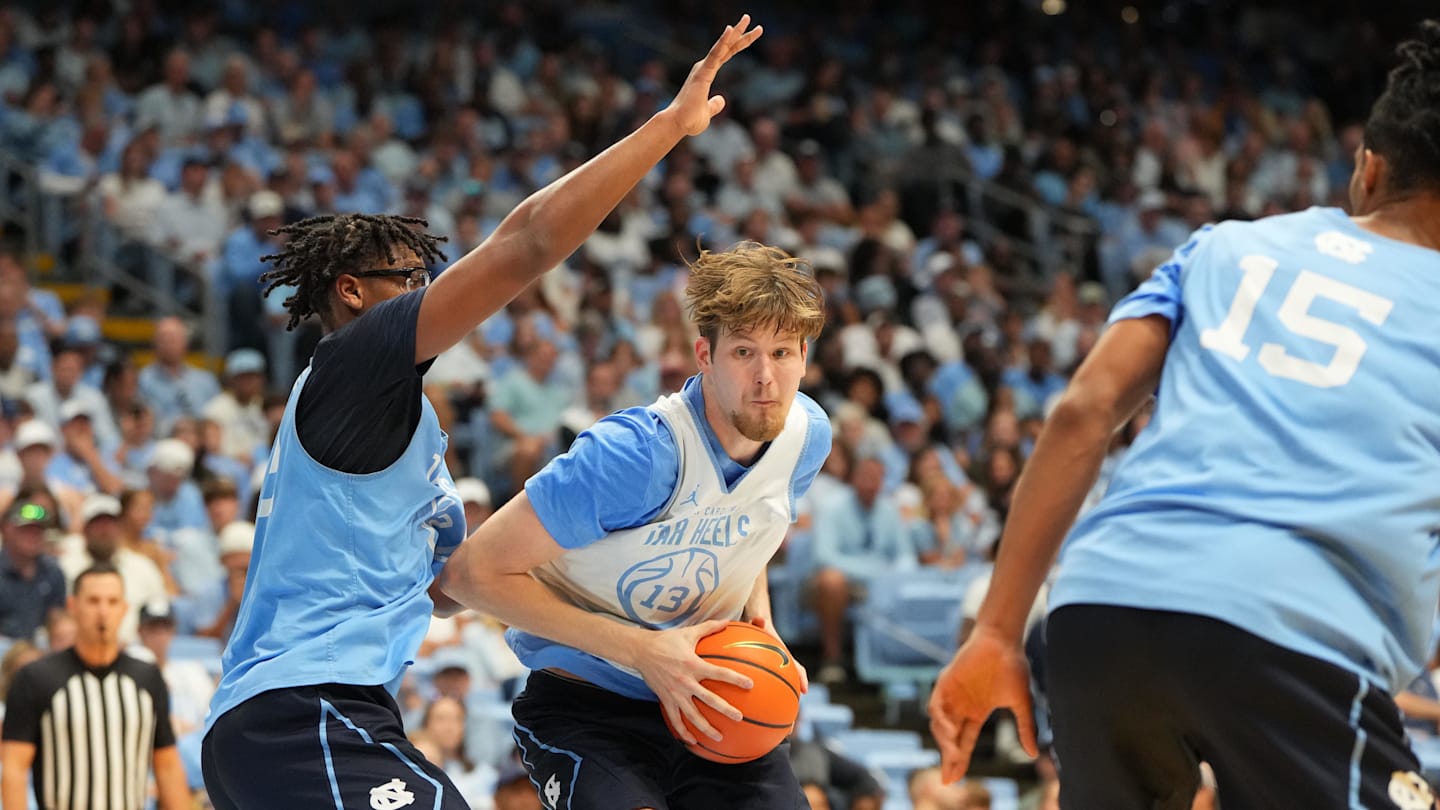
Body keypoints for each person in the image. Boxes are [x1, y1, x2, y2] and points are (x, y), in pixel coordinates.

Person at [201, 17, 764, 810]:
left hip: (318, 715)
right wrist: (669, 127)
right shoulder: (359, 361)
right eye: (408, 280)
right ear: (352, 292)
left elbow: (447, 586)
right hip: (302, 713)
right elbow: (527, 245)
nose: (426, 295)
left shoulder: (387, 424)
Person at [929, 19, 1440, 809]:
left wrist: (996, 630)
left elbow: (1083, 413)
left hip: (1102, 607)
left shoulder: (1223, 246)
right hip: (1293, 634)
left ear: (1369, 169)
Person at [435, 239, 831, 809]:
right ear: (704, 354)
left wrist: (758, 616)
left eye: (783, 353)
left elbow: (752, 525)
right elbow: (468, 576)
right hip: (587, 707)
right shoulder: (636, 456)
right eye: (744, 352)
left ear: (805, 357)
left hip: (711, 696)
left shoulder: (805, 437)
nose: (766, 377)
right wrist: (644, 652)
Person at [0, 563, 190, 810]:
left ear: (124, 609)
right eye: (93, 601)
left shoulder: (148, 678)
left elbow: (167, 766)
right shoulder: (36, 678)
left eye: (112, 602)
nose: (103, 611)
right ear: (73, 606)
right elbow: (14, 767)